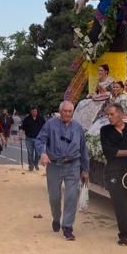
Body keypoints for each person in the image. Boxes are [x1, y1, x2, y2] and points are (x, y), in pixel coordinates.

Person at [37, 100, 89, 242]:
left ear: (73, 112)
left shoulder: (78, 128)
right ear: (60, 112)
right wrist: (42, 153)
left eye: (70, 111)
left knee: (72, 196)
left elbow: (84, 149)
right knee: (54, 196)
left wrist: (85, 169)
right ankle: (56, 217)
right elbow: (40, 140)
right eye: (64, 111)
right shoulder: (50, 124)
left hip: (73, 165)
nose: (67, 114)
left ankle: (67, 227)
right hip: (54, 165)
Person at [100, 103, 127, 246]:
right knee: (120, 204)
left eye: (111, 114)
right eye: (107, 115)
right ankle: (123, 235)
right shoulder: (105, 130)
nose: (109, 117)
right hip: (114, 172)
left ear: (120, 114)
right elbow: (109, 152)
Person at [20, 107, 45, 172]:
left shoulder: (41, 119)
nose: (34, 113)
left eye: (35, 111)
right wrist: (21, 135)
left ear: (37, 112)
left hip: (38, 139)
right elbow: (23, 128)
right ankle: (31, 166)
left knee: (38, 153)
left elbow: (45, 128)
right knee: (30, 153)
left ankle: (36, 164)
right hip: (29, 138)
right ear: (31, 112)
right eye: (33, 111)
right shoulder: (27, 119)